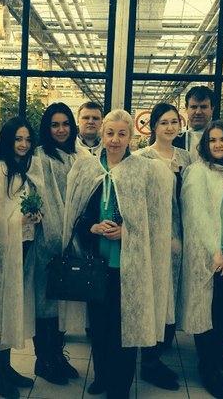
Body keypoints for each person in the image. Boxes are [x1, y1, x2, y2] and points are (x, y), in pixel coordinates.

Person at [62, 109, 172, 398]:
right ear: (102, 133)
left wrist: (127, 231)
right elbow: (76, 213)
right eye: (110, 133)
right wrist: (92, 227)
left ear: (130, 137)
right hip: (95, 263)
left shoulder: (142, 170)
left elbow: (152, 219)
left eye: (122, 134)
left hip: (128, 265)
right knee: (98, 327)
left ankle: (120, 386)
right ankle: (102, 376)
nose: (115, 139)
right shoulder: (88, 169)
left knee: (124, 328)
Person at [181, 121, 223, 399]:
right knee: (208, 314)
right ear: (205, 145)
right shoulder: (199, 172)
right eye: (212, 140)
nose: (218, 145)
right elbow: (196, 215)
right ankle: (207, 369)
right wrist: (214, 251)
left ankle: (217, 357)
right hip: (214, 256)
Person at [134, 102, 191, 391]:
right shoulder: (141, 158)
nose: (170, 127)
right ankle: (149, 361)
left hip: (181, 237)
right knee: (154, 295)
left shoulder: (186, 158)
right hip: (154, 239)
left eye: (174, 122)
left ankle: (158, 354)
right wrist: (161, 235)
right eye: (164, 122)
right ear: (153, 126)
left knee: (171, 295)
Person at [0, 117, 43, 398]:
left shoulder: (27, 168)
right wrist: (17, 222)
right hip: (3, 251)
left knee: (13, 309)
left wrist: (35, 215)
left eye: (28, 139)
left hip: (24, 247)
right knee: (0, 310)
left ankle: (5, 368)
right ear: (8, 140)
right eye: (18, 139)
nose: (23, 144)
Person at [32, 102, 84, 384]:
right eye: (55, 125)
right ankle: (44, 360)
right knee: (46, 304)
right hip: (47, 243)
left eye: (65, 124)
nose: (61, 130)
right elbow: (42, 198)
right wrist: (56, 236)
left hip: (75, 241)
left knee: (64, 302)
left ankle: (57, 356)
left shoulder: (79, 155)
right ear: (47, 128)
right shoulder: (40, 156)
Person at [173, 85, 216, 159]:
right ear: (186, 108)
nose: (198, 112)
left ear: (212, 109)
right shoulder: (175, 140)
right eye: (194, 107)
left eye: (203, 107)